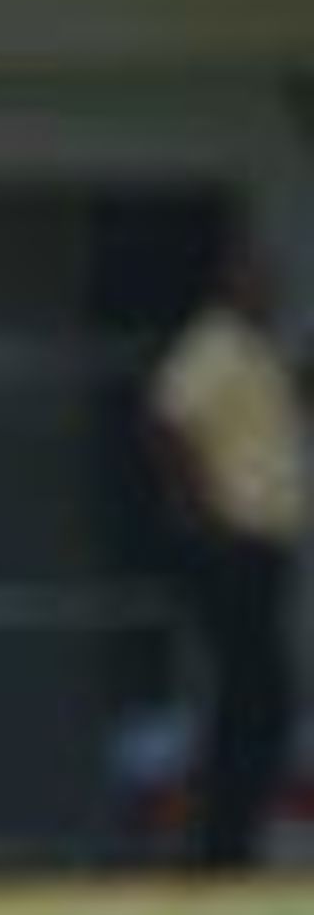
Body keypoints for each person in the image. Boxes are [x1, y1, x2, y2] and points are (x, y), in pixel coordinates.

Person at [145, 226, 308, 870]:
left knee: (260, 697)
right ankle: (221, 848)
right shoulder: (215, 343)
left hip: (265, 541)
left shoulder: (258, 349)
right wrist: (205, 508)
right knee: (249, 697)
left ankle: (234, 841)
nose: (268, 285)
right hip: (231, 543)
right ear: (228, 279)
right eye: (254, 273)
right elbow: (165, 418)